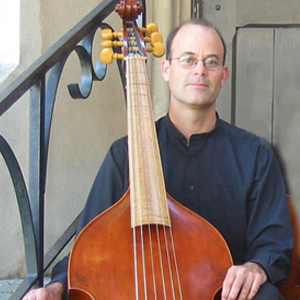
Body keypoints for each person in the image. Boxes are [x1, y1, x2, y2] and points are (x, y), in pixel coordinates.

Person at [23, 18, 293, 300]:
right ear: (167, 69)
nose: (200, 70)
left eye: (211, 62)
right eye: (188, 59)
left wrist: (255, 267)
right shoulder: (124, 155)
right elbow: (90, 241)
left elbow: (273, 241)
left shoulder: (255, 155)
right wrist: (55, 289)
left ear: (223, 75)